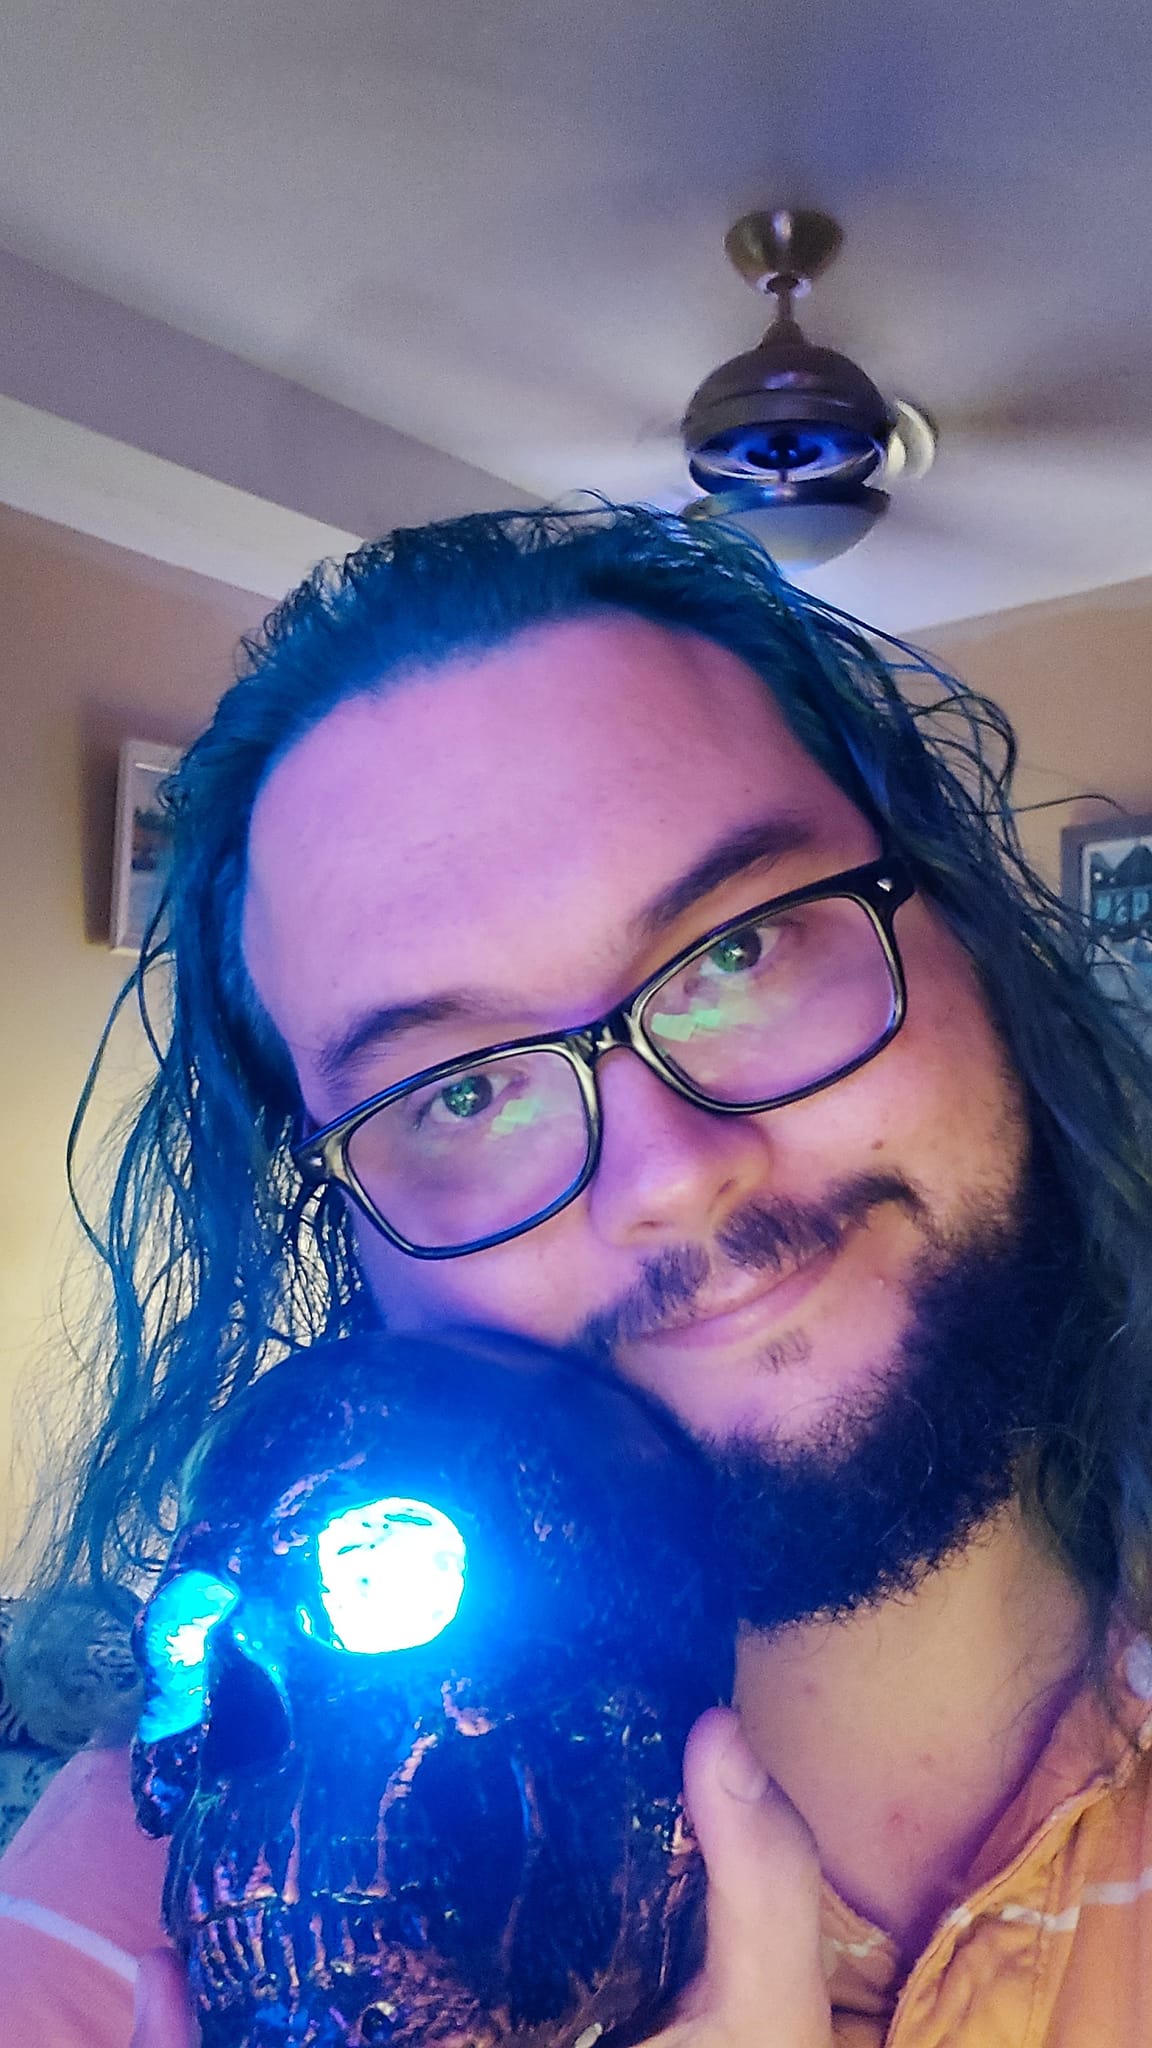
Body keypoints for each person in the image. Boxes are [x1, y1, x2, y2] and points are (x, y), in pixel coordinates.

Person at [2, 503, 1152, 2048]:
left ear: (975, 939)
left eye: (738, 951)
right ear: (348, 1235)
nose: (671, 1172)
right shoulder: (134, 1914)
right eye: (461, 1091)